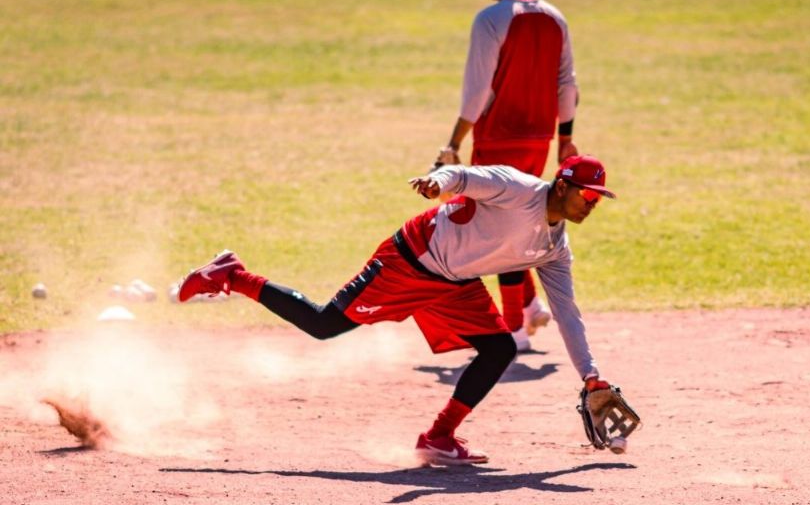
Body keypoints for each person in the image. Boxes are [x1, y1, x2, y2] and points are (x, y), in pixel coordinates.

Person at [177, 155, 615, 466]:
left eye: (598, 199)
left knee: (499, 348)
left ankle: (438, 438)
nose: (591, 204)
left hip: (455, 283)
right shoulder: (519, 188)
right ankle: (233, 276)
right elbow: (463, 176)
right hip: (411, 259)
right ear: (563, 184)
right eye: (587, 195)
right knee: (323, 324)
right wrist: (437, 183)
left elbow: (567, 312)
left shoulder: (555, 250)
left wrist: (590, 375)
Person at [434, 0, 580, 351]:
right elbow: (568, 85)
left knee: (499, 227)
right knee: (519, 215)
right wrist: (565, 140)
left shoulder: (490, 19)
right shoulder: (554, 16)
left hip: (498, 135)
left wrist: (453, 143)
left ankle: (513, 328)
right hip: (540, 137)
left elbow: (477, 92)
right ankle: (529, 307)